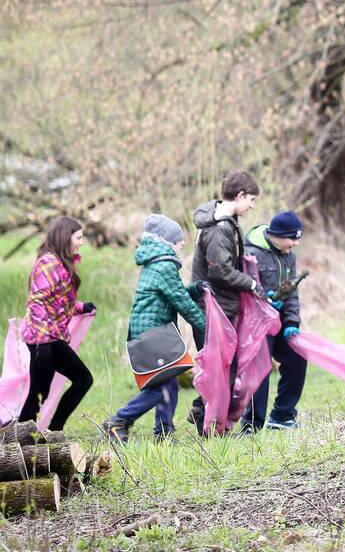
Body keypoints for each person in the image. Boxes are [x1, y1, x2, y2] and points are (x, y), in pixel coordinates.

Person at [103, 215, 207, 442]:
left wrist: (197, 288)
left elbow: (174, 295)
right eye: (178, 239)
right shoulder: (164, 265)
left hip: (149, 330)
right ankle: (119, 420)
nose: (182, 243)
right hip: (154, 333)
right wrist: (206, 328)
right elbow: (182, 303)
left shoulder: (157, 263)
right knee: (161, 388)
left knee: (169, 385)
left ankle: (163, 434)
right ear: (167, 241)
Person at [186, 170, 262, 433]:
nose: (252, 205)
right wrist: (251, 283)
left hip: (223, 307)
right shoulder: (219, 229)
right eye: (251, 199)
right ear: (239, 195)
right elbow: (220, 271)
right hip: (212, 310)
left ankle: (204, 417)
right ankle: (204, 423)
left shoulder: (226, 222)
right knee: (219, 372)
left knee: (224, 369)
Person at [18, 217, 96, 431]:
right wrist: (43, 342)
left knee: (39, 392)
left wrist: (80, 307)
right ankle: (53, 431)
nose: (82, 242)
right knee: (83, 379)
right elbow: (37, 301)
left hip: (47, 337)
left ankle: (26, 438)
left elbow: (56, 300)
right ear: (66, 237)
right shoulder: (49, 263)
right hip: (43, 339)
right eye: (78, 237)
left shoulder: (59, 262)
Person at [241, 211, 307, 432]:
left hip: (279, 321)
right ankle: (252, 425)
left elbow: (292, 292)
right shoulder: (250, 253)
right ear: (277, 235)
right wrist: (265, 300)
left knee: (297, 358)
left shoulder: (289, 255)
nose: (295, 243)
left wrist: (291, 322)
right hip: (256, 324)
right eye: (292, 238)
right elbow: (243, 290)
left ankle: (282, 416)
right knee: (261, 368)